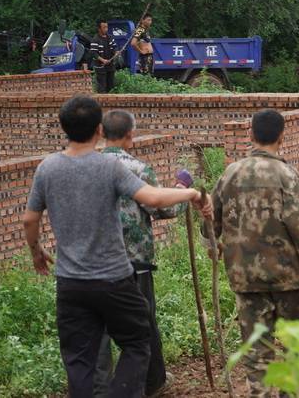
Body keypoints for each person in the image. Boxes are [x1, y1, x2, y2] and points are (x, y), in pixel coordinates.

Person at [23, 95, 211, 398]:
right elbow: (153, 199)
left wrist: (36, 252)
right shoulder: (108, 166)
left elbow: (30, 219)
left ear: (64, 128)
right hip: (113, 278)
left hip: (70, 283)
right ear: (99, 129)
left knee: (80, 359)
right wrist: (191, 193)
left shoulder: (47, 168)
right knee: (138, 340)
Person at [208, 109, 299, 398]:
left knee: (256, 348)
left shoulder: (231, 172)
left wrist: (213, 245)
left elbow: (211, 218)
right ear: (282, 137)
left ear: (251, 135)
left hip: (245, 277)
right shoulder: (285, 174)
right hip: (288, 276)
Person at [93, 110, 187, 398]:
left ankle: (99, 389)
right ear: (130, 136)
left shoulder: (86, 168)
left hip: (94, 262)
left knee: (99, 328)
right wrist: (184, 189)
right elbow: (162, 208)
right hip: (134, 260)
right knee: (142, 321)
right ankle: (152, 381)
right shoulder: (136, 168)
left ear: (101, 133)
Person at [89, 20, 117, 93]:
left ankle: (110, 102)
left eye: (107, 27)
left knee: (111, 87)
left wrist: (116, 52)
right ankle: (101, 102)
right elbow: (93, 53)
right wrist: (103, 60)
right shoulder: (95, 39)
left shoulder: (110, 37)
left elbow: (114, 47)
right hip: (100, 67)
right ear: (99, 29)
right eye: (104, 27)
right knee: (102, 88)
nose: (106, 29)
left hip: (110, 66)